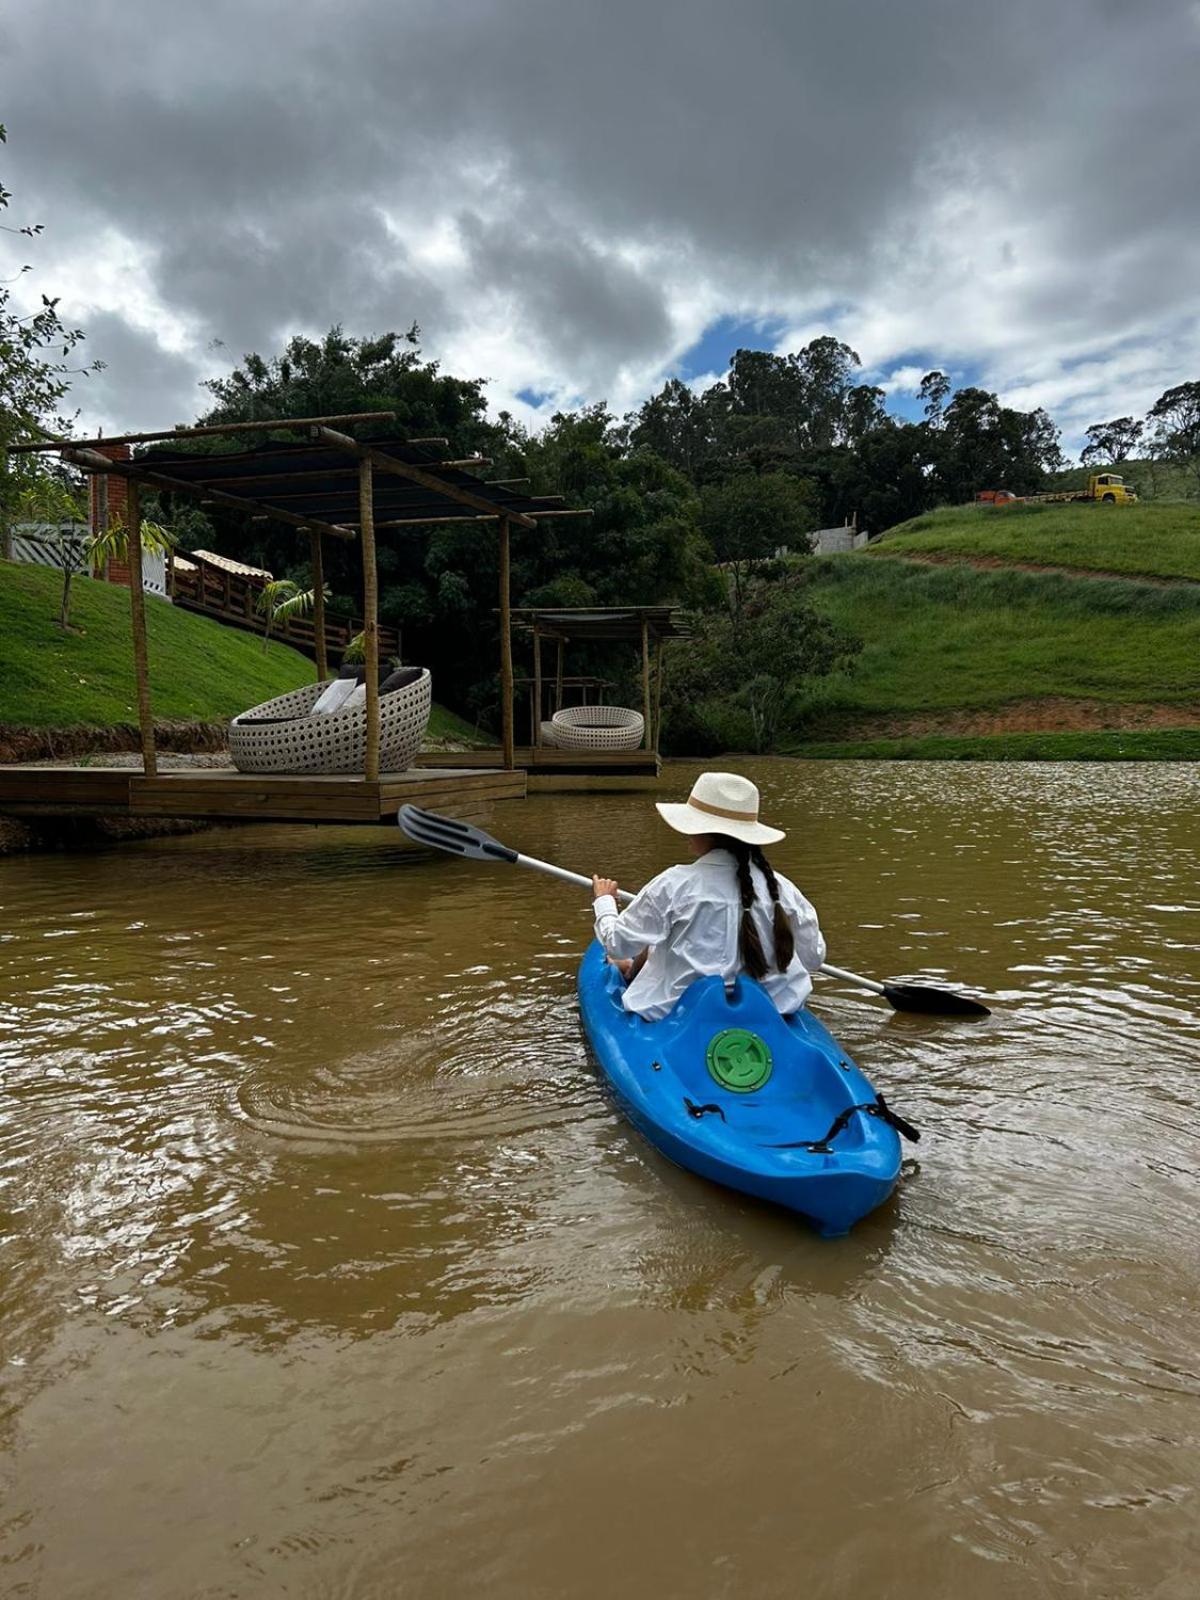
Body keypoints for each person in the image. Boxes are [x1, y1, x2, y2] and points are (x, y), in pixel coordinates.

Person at [591, 770, 825, 1022]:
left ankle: (629, 968)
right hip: (772, 1014)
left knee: (651, 942)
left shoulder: (674, 885)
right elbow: (814, 958)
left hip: (681, 1018)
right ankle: (631, 967)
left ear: (703, 832)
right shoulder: (782, 890)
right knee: (657, 942)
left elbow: (617, 944)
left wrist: (604, 902)